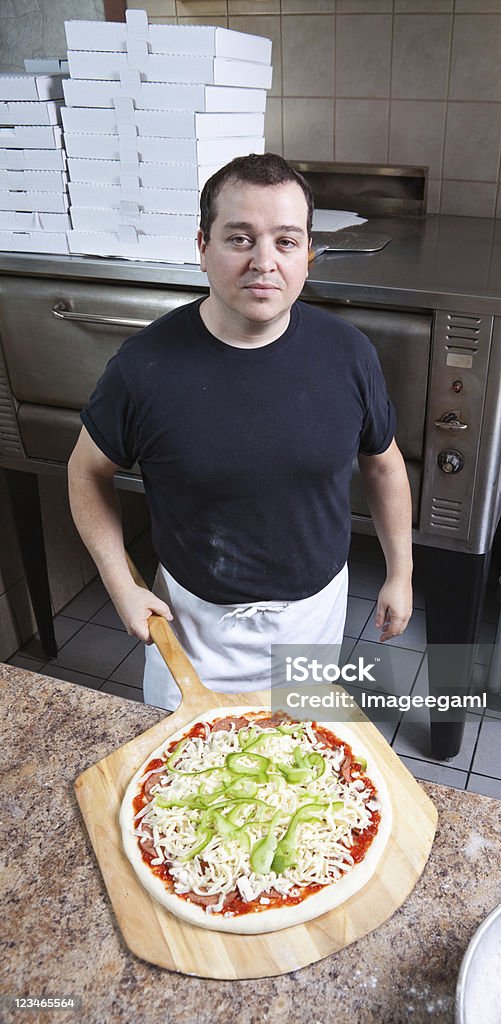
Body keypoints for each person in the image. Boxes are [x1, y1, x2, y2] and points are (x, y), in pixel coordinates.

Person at [68, 152, 413, 710]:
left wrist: (402, 571)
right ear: (202, 247)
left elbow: (383, 463)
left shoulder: (348, 354)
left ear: (308, 253)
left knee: (293, 771)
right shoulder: (145, 367)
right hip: (193, 624)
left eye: (285, 240)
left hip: (313, 617)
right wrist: (120, 583)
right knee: (184, 780)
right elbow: (85, 471)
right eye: (239, 239)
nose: (264, 262)